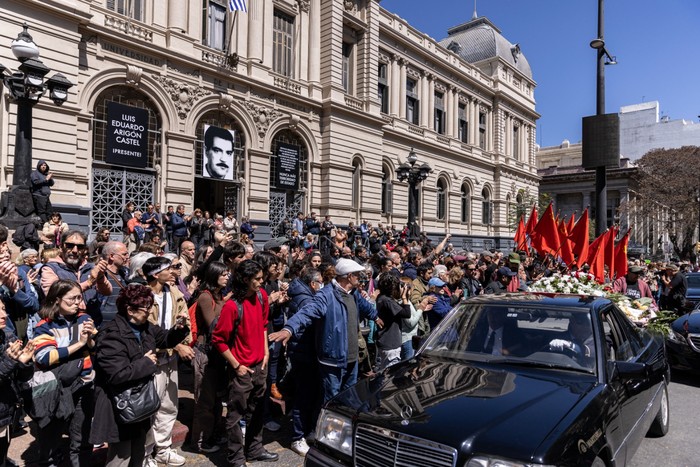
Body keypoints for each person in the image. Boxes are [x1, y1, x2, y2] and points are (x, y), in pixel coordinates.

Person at [90, 284, 189, 467]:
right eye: (146, 308)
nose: (150, 311)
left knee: (138, 453)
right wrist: (145, 363)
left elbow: (166, 338)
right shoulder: (111, 335)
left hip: (140, 402)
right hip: (119, 405)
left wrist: (179, 328)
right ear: (130, 310)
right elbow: (116, 375)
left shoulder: (146, 327)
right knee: (120, 458)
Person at [269, 258, 380, 404]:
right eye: (357, 274)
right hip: (333, 360)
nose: (360, 278)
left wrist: (375, 316)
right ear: (348, 276)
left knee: (349, 397)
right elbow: (307, 313)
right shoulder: (326, 295)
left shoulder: (353, 293)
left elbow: (364, 306)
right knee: (332, 400)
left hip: (352, 359)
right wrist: (289, 329)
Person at [211, 260, 279, 466]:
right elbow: (218, 339)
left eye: (261, 278)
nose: (261, 282)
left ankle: (255, 449)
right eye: (257, 279)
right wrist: (236, 365)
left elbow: (264, 324)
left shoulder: (261, 296)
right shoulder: (232, 306)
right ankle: (235, 457)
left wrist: (266, 352)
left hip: (260, 365)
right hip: (242, 369)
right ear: (245, 279)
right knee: (235, 415)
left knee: (257, 411)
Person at [33, 279, 96, 466]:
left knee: (82, 438)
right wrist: (79, 344)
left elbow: (93, 349)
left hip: (84, 383)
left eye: (79, 297)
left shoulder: (84, 319)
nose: (77, 302)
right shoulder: (44, 325)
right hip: (56, 389)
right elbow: (45, 357)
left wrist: (92, 338)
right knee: (51, 441)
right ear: (57, 300)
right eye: (72, 299)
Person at [142, 257, 191, 467]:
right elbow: (147, 328)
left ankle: (163, 449)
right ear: (155, 274)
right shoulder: (143, 295)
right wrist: (175, 345)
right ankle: (144, 454)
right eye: (169, 268)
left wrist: (183, 337)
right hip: (152, 358)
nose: (174, 271)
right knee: (149, 407)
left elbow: (184, 316)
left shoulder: (174, 293)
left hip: (170, 358)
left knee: (169, 404)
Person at [190, 262, 230, 454]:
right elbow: (213, 324)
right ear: (214, 276)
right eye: (223, 274)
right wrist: (225, 303)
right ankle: (199, 441)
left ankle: (212, 434)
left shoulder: (218, 295)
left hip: (215, 354)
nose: (227, 277)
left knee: (215, 399)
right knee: (204, 400)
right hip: (204, 353)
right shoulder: (205, 296)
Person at [0, 300, 34, 467]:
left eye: (3, 309)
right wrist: (8, 361)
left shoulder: (7, 336)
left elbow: (22, 378)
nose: (3, 315)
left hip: (7, 411)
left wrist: (24, 363)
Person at [374, 273, 411, 370]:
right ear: (393, 287)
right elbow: (407, 314)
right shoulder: (387, 301)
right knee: (389, 374)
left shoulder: (381, 297)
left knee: (383, 373)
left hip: (385, 342)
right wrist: (404, 298)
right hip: (390, 346)